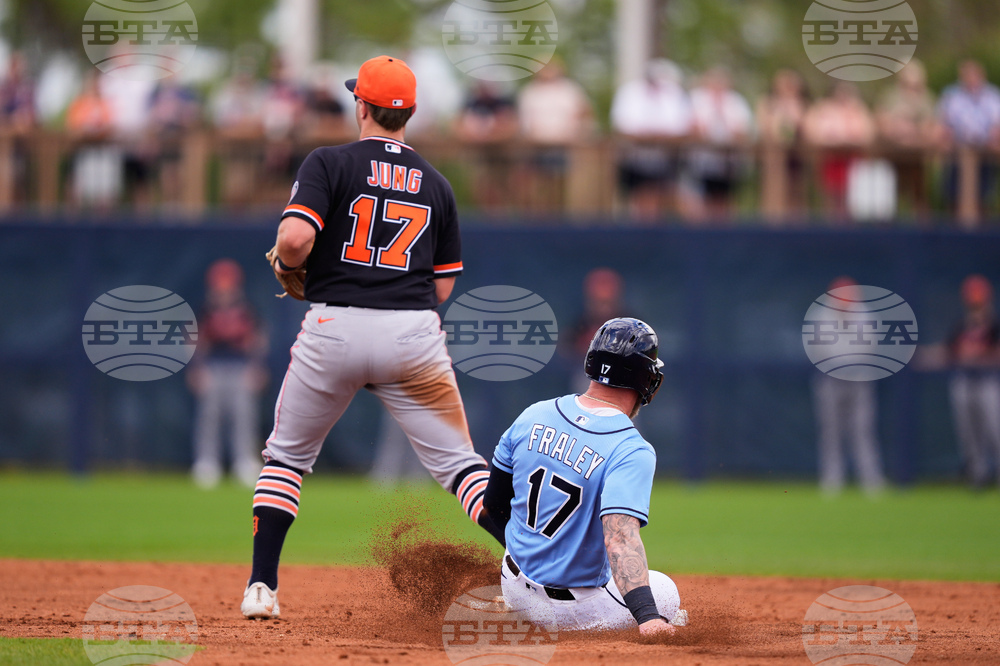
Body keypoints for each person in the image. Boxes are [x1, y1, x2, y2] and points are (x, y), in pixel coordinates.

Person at [241, 55, 502, 619]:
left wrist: (296, 262)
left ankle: (262, 587)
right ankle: (541, 569)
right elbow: (442, 289)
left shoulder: (328, 161)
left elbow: (291, 242)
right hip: (411, 332)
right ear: (407, 112)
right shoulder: (436, 183)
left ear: (360, 104)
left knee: (285, 460)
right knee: (461, 467)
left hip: (334, 326)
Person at [484, 317, 686, 636]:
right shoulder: (631, 448)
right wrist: (647, 616)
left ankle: (519, 607)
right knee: (665, 592)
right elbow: (620, 537)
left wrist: (534, 556)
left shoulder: (533, 414)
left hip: (511, 585)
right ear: (647, 379)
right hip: (574, 611)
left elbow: (493, 505)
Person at [187, 259, 267, 489]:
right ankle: (206, 463)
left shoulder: (246, 309)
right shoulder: (205, 309)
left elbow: (258, 339)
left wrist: (256, 366)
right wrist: (197, 368)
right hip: (213, 367)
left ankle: (243, 461)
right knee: (209, 417)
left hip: (240, 367)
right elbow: (195, 340)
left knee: (244, 416)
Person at [811, 278, 886, 496]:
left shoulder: (865, 315)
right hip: (830, 379)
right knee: (831, 431)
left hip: (860, 379)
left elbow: (866, 349)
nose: (844, 304)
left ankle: (871, 481)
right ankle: (832, 481)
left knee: (863, 430)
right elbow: (820, 352)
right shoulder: (822, 316)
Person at [610, 59, 693, 221]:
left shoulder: (674, 93)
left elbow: (684, 124)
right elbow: (622, 123)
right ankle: (643, 228)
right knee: (639, 195)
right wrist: (645, 135)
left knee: (663, 194)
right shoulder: (630, 92)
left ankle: (654, 226)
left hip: (667, 156)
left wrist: (661, 135)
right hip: (635, 156)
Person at [946, 275, 1000, 488]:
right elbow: (950, 351)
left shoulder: (994, 324)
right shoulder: (961, 324)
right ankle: (978, 475)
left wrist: (979, 354)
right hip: (965, 381)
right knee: (969, 434)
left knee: (995, 430)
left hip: (989, 382)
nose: (976, 305)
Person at [687, 66, 754, 221]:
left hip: (728, 164)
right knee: (698, 203)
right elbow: (691, 127)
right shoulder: (696, 99)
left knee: (725, 201)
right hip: (700, 162)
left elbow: (743, 131)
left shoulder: (736, 101)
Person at [937, 60, 1000, 216]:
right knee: (953, 193)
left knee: (984, 193)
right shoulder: (951, 95)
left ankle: (980, 226)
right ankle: (957, 227)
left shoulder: (993, 96)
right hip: (958, 150)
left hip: (986, 150)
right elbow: (944, 124)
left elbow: (996, 125)